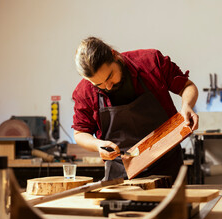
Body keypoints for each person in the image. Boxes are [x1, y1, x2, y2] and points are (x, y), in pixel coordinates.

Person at [72, 37, 199, 182]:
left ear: (115, 55)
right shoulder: (84, 92)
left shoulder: (150, 62)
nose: (107, 86)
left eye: (110, 76)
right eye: (99, 84)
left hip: (166, 164)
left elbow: (186, 86)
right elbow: (80, 133)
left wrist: (187, 106)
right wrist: (98, 145)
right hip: (120, 174)